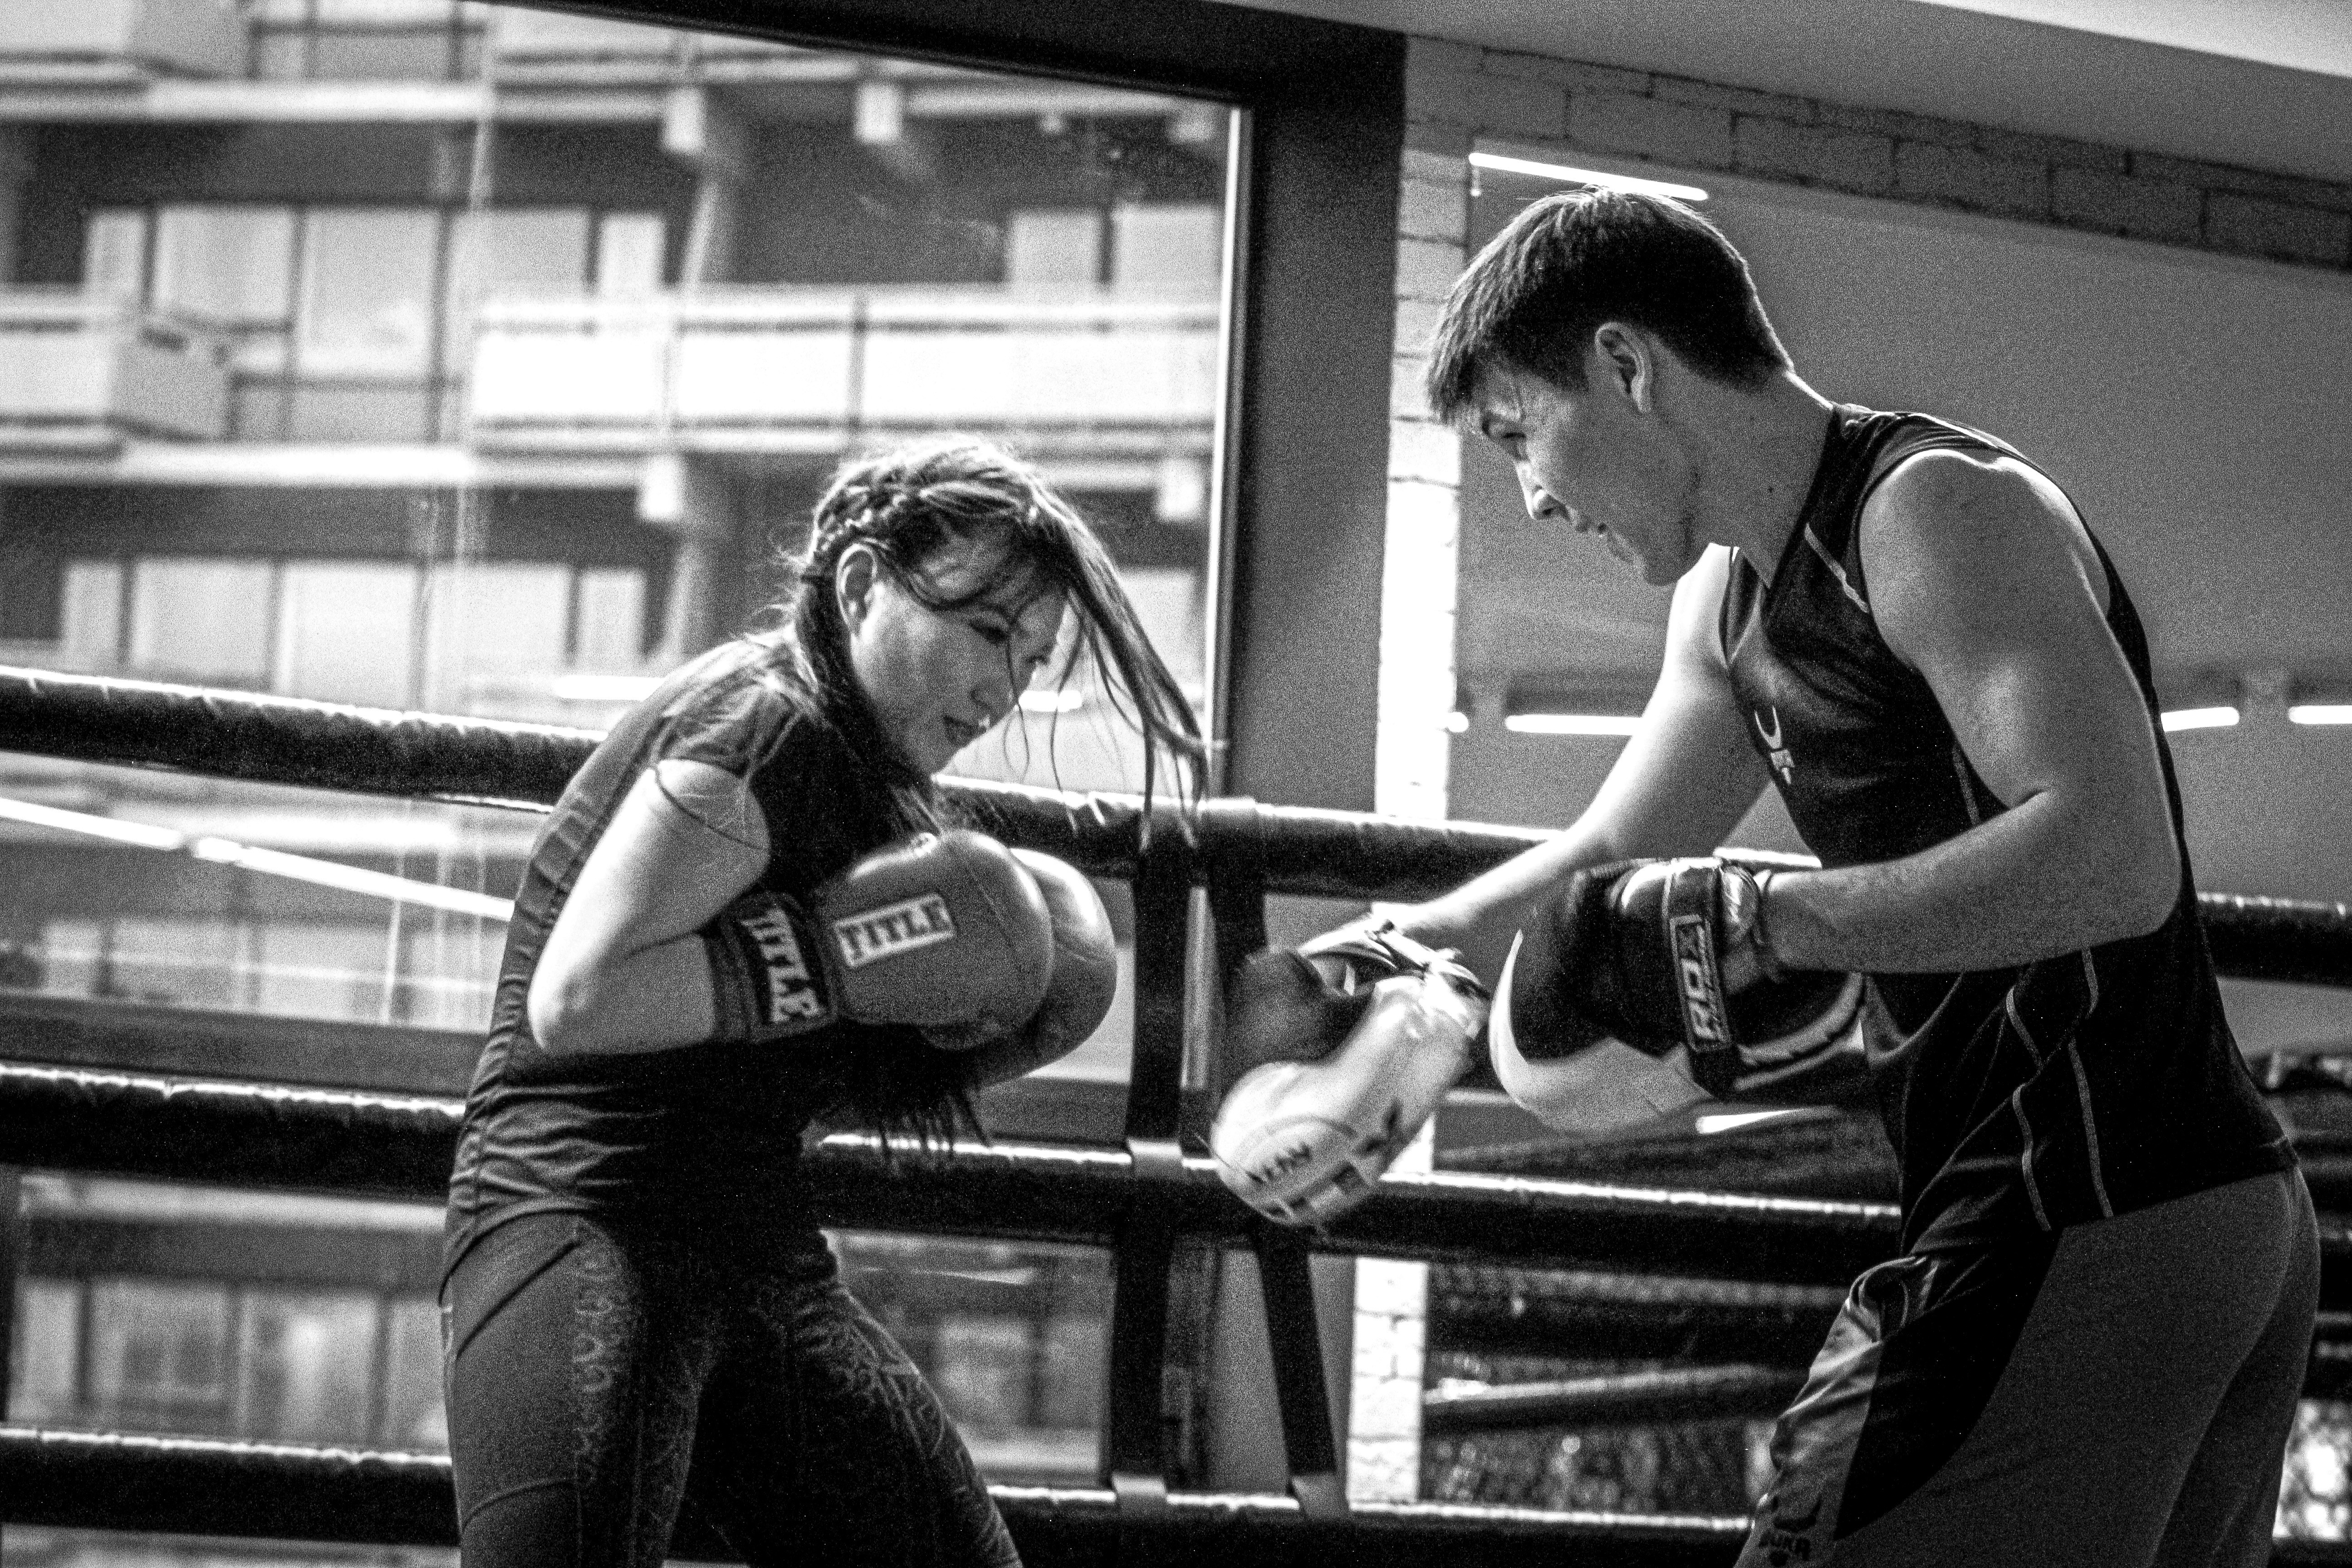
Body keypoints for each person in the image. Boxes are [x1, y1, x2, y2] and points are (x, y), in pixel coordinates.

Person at [1396, 190, 2309, 1564]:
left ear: (1629, 367)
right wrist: (1399, 971)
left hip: (2090, 1208)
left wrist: (1773, 918)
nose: (1531, 495)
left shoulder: (1932, 513)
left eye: (1523, 434)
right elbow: (1605, 861)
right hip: (2143, 1219)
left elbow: (2117, 860)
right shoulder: (1731, 603)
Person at [440, 437, 1202, 1567]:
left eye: (1034, 660)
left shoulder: (875, 784)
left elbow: (771, 1044)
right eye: (987, 633)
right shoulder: (766, 729)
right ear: (859, 586)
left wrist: (947, 1023)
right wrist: (841, 959)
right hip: (580, 1216)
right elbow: (584, 996)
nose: (1005, 687)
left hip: (751, 1244)